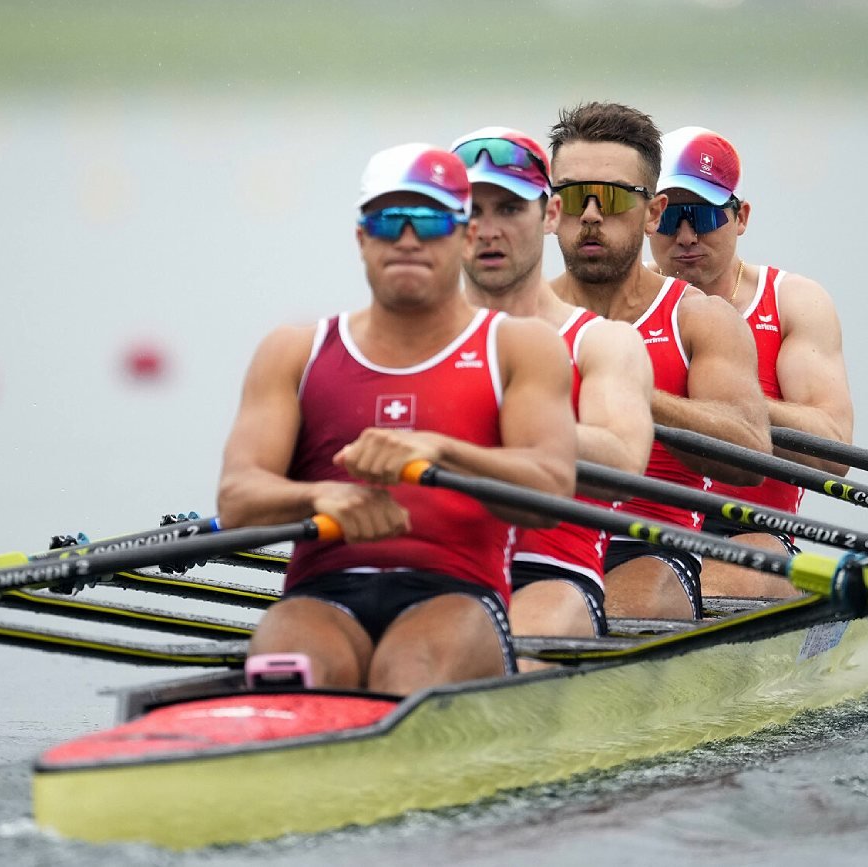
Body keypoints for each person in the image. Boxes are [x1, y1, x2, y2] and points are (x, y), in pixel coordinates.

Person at [216, 143, 577, 694]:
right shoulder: (294, 351)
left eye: (430, 220)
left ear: (463, 237)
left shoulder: (519, 348)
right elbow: (238, 498)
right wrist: (316, 498)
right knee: (292, 667)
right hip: (323, 593)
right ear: (363, 237)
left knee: (405, 675)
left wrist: (442, 451)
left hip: (458, 595)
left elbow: (551, 491)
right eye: (389, 220)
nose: (408, 238)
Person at [546, 102, 772, 621]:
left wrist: (635, 398)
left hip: (648, 547)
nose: (592, 215)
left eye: (615, 198)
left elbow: (751, 456)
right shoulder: (517, 322)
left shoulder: (700, 319)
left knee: (626, 600)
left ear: (652, 213)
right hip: (537, 542)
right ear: (551, 209)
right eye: (575, 196)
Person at [451, 126, 654, 651]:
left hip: (549, 576)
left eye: (509, 209)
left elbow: (621, 464)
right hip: (438, 573)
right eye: (471, 210)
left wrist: (493, 420)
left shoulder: (602, 342)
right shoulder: (406, 340)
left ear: (549, 216)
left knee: (488, 648)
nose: (487, 229)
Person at [648, 126, 855, 598]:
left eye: (701, 214)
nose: (685, 235)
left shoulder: (794, 303)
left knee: (747, 561)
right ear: (645, 219)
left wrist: (726, 406)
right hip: (641, 533)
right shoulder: (616, 305)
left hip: (749, 535)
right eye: (668, 217)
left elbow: (833, 451)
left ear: (740, 216)